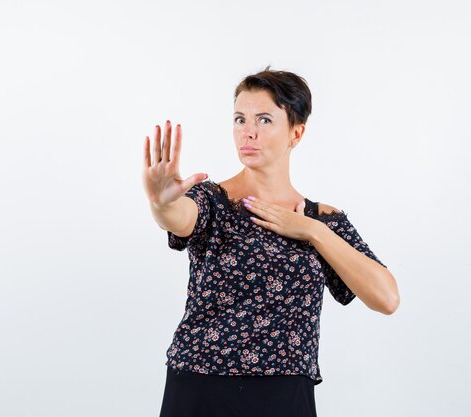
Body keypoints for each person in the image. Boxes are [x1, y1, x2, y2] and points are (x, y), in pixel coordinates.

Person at [142, 66, 400, 417]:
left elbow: (386, 298)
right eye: (239, 119)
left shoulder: (322, 219)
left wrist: (312, 231)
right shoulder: (211, 200)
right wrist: (161, 202)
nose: (248, 133)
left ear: (296, 133)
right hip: (201, 382)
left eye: (264, 120)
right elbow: (179, 218)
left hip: (284, 391)